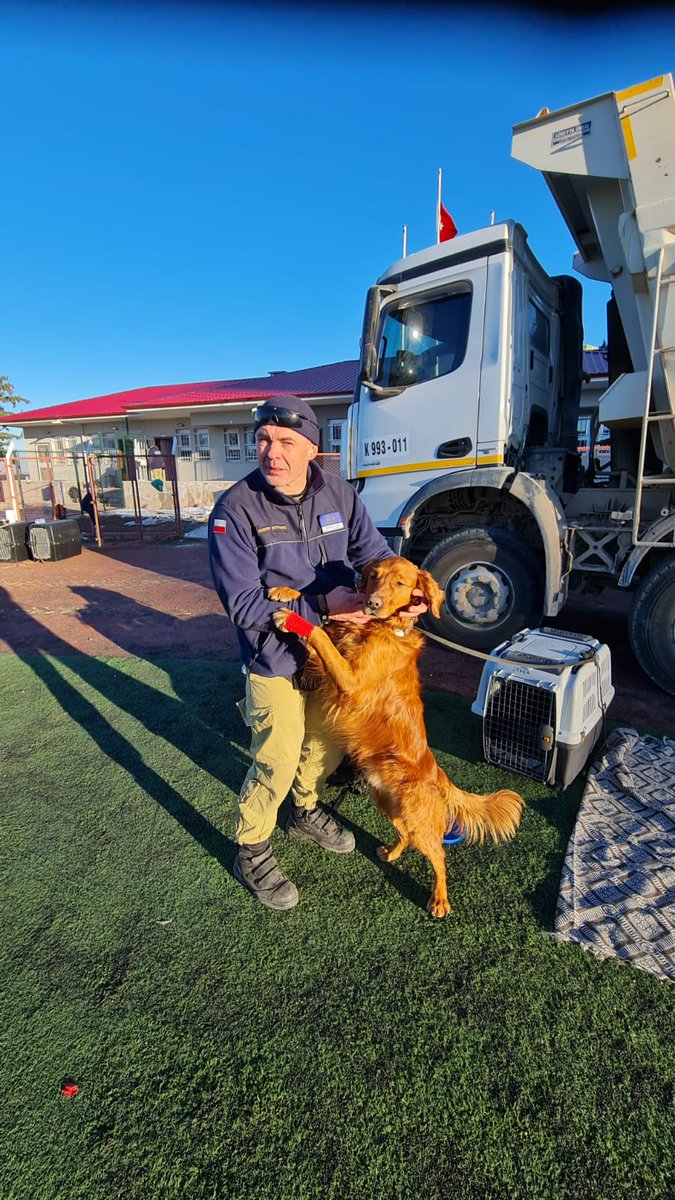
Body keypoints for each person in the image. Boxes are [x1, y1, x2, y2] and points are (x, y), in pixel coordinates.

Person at [208, 394, 421, 911]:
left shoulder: (341, 495)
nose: (271, 452)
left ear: (311, 448)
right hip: (275, 654)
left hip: (331, 659)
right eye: (262, 439)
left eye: (285, 441)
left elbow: (375, 553)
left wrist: (402, 589)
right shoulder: (234, 510)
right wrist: (324, 605)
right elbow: (242, 604)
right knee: (277, 757)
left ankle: (305, 811)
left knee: (322, 750)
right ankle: (251, 845)